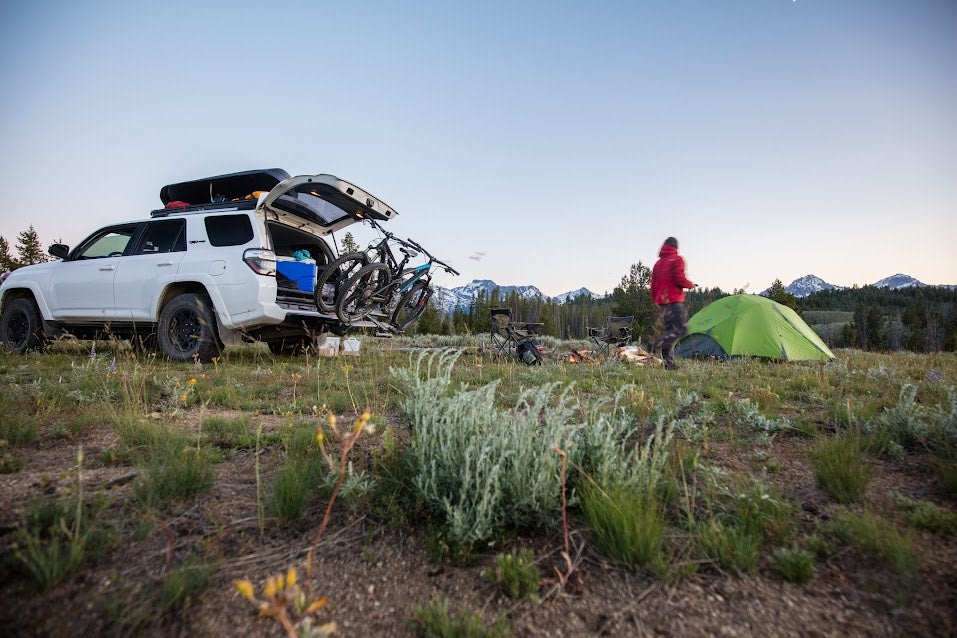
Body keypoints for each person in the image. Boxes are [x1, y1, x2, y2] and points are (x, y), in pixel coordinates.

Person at [650, 237, 695, 369]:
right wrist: (690, 285)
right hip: (674, 300)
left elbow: (653, 285)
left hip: (662, 302)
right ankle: (656, 344)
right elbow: (680, 279)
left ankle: (668, 363)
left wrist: (656, 300)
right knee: (681, 329)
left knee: (670, 330)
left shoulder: (658, 264)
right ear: (675, 247)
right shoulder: (677, 259)